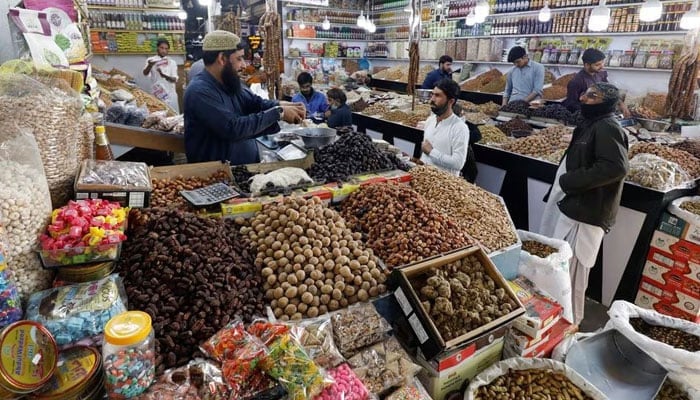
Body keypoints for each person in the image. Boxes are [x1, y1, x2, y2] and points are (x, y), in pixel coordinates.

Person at [540, 82, 629, 325]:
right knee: (561, 272)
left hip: (587, 213)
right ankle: (556, 323)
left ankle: (570, 325)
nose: (584, 98)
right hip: (575, 207)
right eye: (585, 93)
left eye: (593, 96)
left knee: (574, 278)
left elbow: (616, 167)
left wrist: (570, 181)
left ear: (606, 103)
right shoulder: (592, 123)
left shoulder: (608, 127)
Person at [183, 30, 305, 165]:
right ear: (222, 59)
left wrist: (283, 105)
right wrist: (279, 113)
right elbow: (232, 128)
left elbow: (255, 103)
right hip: (216, 175)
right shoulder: (199, 91)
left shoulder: (229, 82)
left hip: (243, 167)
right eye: (239, 59)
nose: (244, 65)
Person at [420, 78, 470, 176]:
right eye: (432, 94)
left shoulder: (459, 128)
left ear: (451, 101)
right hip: (423, 178)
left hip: (443, 185)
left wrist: (431, 152)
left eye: (437, 95)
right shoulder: (430, 120)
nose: (432, 99)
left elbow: (458, 163)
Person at [563, 48, 631, 117]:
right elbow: (571, 105)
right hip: (586, 116)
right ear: (587, 65)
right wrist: (593, 110)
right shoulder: (576, 81)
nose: (602, 67)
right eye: (597, 65)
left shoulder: (600, 74)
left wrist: (621, 103)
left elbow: (610, 92)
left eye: (602, 63)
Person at [143, 38, 180, 113]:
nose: (164, 50)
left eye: (166, 49)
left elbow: (175, 79)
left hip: (170, 94)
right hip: (157, 94)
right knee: (159, 117)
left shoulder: (172, 62)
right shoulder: (151, 60)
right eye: (162, 48)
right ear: (157, 48)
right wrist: (150, 65)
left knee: (173, 116)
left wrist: (164, 76)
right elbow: (145, 73)